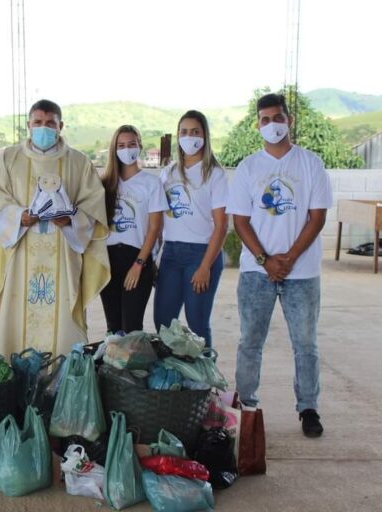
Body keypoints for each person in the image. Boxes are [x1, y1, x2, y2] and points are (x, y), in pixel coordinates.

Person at [0, 99, 109, 356]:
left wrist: (72, 219)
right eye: (38, 122)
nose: (44, 128)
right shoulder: (8, 159)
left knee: (63, 316)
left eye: (50, 123)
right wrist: (19, 216)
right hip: (19, 255)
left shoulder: (79, 163)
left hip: (64, 254)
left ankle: (62, 379)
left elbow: (93, 207)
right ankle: (15, 375)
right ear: (28, 125)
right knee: (16, 321)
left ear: (60, 125)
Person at [228, 93, 332, 438]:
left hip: (301, 273)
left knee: (305, 344)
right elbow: (240, 221)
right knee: (250, 342)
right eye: (265, 119)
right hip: (257, 272)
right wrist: (265, 259)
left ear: (288, 120)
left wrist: (288, 259)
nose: (272, 124)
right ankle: (247, 406)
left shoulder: (310, 163)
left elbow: (317, 218)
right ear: (257, 125)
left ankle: (308, 408)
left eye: (278, 117)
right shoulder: (248, 168)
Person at [153, 110, 228, 347]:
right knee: (164, 322)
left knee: (197, 323)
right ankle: (174, 375)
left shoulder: (215, 174)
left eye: (195, 131)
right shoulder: (168, 173)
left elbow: (222, 225)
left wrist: (206, 266)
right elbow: (158, 221)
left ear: (205, 135)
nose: (189, 137)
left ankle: (204, 379)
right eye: (184, 132)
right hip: (171, 254)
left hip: (201, 253)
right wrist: (154, 257)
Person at [99, 125, 166, 334]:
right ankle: (114, 367)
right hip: (109, 259)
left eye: (131, 144)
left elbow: (155, 228)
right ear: (114, 149)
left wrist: (139, 263)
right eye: (121, 145)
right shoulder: (104, 184)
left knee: (132, 327)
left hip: (137, 258)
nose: (126, 149)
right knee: (113, 328)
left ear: (140, 146)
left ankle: (135, 368)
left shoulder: (151, 183)